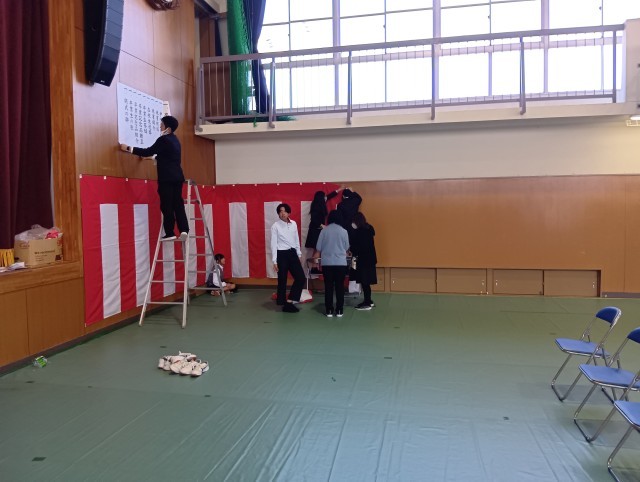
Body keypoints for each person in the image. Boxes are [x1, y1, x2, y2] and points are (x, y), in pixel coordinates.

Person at [119, 115, 189, 242]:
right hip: (178, 177)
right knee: (178, 204)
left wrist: (129, 148)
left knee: (167, 205)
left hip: (166, 178)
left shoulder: (163, 139)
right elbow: (167, 156)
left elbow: (148, 151)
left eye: (162, 124)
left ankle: (170, 232)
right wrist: (152, 158)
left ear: (168, 128)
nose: (159, 126)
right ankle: (184, 230)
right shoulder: (176, 141)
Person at [271, 203, 306, 313]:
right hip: (281, 254)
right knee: (282, 280)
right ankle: (281, 303)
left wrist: (299, 254)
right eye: (280, 211)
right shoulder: (275, 226)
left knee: (301, 277)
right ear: (278, 213)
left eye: (285, 211)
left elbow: (296, 239)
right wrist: (274, 261)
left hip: (292, 253)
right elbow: (273, 244)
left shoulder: (293, 224)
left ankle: (291, 300)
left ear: (289, 213)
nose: (283, 213)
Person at [315, 210, 350, 318]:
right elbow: (346, 247)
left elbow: (318, 247)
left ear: (329, 218)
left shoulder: (324, 231)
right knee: (340, 286)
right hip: (340, 263)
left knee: (328, 287)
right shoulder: (344, 231)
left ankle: (329, 310)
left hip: (327, 263)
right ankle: (339, 310)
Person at [350, 211, 377, 310]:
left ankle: (367, 303)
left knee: (364, 282)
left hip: (363, 260)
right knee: (367, 282)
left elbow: (357, 247)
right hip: (370, 259)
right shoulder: (369, 229)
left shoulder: (359, 232)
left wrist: (351, 249)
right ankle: (368, 300)